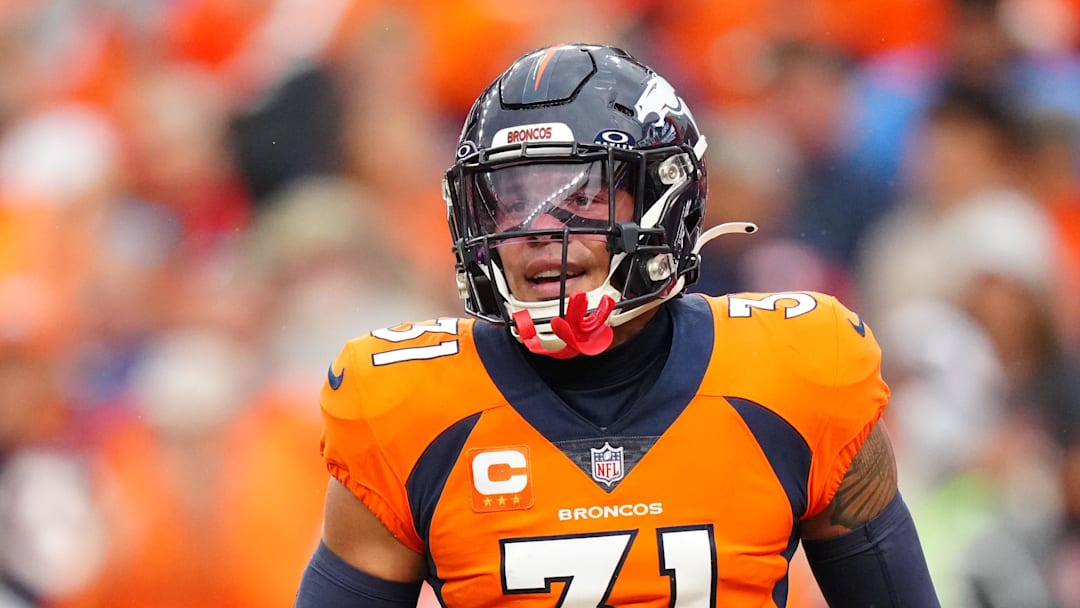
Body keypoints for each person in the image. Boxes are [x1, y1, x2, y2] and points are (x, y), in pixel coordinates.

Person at [295, 43, 940, 607]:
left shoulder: (801, 368)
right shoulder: (405, 408)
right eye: (510, 199)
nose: (540, 232)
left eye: (581, 194)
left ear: (666, 194)